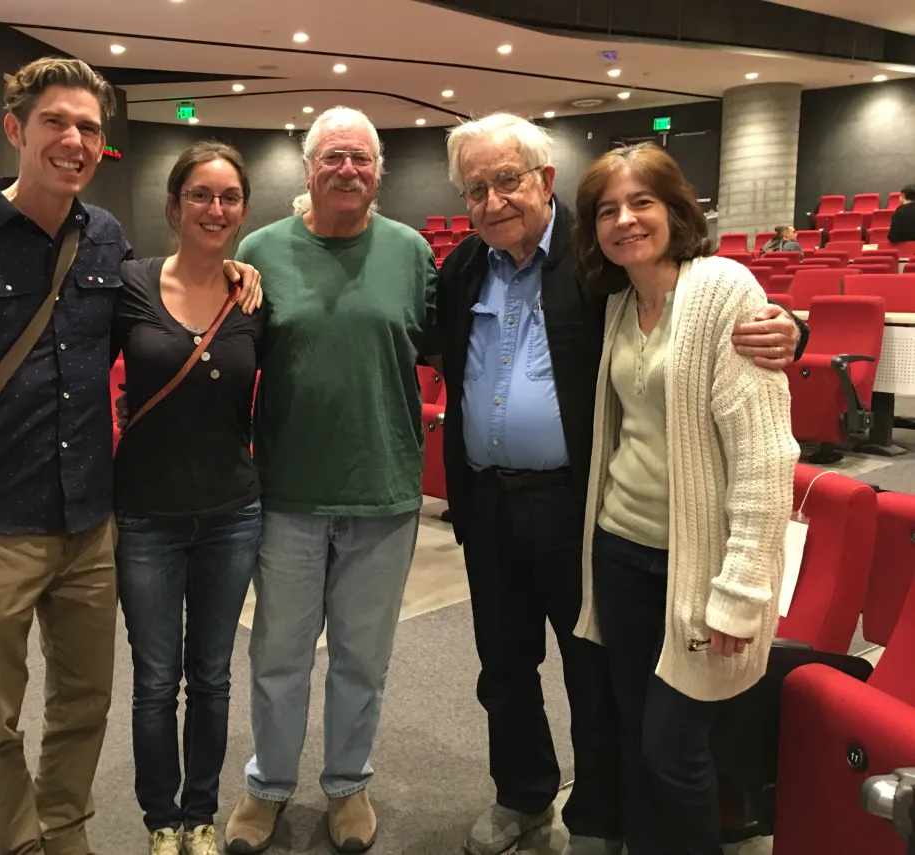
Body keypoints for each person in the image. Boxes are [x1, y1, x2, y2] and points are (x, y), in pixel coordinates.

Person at [0, 57, 259, 855]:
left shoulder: (103, 235)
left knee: (84, 704)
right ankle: (20, 842)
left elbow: (160, 314)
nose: (73, 139)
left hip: (90, 523)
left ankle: (67, 833)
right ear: (16, 130)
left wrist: (229, 272)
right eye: (56, 122)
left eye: (87, 127)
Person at [431, 113, 805, 855]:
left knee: (595, 677)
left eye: (507, 179)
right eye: (476, 188)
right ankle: (523, 794)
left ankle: (599, 816)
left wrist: (792, 326)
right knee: (503, 667)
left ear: (545, 180)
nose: (493, 199)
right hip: (491, 503)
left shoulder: (594, 260)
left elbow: (708, 307)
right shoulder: (463, 268)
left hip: (577, 508)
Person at [572, 142, 799, 855]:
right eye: (608, 209)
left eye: (642, 202)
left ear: (676, 210)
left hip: (693, 562)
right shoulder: (617, 303)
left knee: (675, 748)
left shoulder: (724, 290)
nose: (626, 220)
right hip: (620, 548)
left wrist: (742, 591)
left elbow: (766, 458)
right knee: (640, 737)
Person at [221, 106, 437, 855]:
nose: (349, 170)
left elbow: (455, 349)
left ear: (379, 172)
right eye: (334, 157)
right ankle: (267, 787)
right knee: (278, 653)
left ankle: (348, 784)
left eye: (363, 159)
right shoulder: (259, 250)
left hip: (384, 490)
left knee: (361, 657)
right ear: (308, 167)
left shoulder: (411, 253)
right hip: (286, 494)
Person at [111, 141, 263, 855]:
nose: (215, 208)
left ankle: (201, 813)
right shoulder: (130, 286)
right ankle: (159, 820)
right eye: (200, 195)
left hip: (232, 514)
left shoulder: (253, 297)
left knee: (211, 675)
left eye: (229, 197)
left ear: (242, 211)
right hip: (146, 515)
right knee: (154, 678)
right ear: (174, 206)